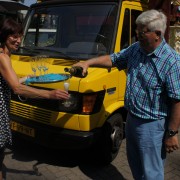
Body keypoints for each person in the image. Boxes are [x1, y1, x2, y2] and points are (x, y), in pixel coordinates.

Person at [73, 10, 180, 180]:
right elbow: (113, 59)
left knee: (152, 174)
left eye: (141, 31)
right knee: (135, 166)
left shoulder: (172, 61)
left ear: (157, 34)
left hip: (153, 127)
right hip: (131, 120)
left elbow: (177, 101)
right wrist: (88, 62)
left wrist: (172, 134)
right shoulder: (136, 49)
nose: (137, 35)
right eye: (136, 30)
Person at [0, 18, 69, 180]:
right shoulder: (3, 57)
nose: (18, 40)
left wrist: (26, 79)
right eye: (14, 36)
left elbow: (11, 82)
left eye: (20, 36)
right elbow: (16, 88)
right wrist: (49, 95)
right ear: (4, 35)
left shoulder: (3, 55)